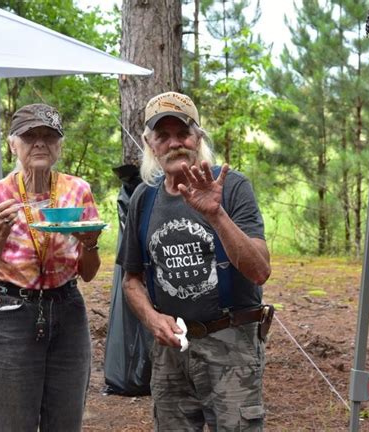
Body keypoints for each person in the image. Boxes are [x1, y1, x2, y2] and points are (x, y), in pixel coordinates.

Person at [117, 91, 272, 431]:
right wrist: (152, 318)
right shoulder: (144, 197)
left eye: (183, 133)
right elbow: (132, 280)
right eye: (163, 135)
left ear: (198, 136)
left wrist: (216, 215)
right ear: (150, 143)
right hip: (170, 353)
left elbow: (259, 271)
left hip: (231, 345)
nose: (175, 143)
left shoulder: (231, 187)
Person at [0, 103, 102, 431]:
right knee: (12, 422)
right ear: (13, 144)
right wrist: (0, 233)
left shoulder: (77, 190)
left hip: (68, 311)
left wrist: (90, 243)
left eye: (48, 135)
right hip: (12, 312)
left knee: (66, 421)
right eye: (30, 135)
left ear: (59, 145)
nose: (39, 143)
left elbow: (88, 272)